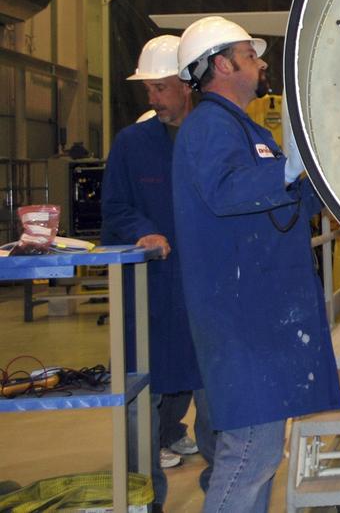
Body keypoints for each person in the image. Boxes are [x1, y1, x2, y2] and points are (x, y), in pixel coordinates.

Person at [171, 16, 340, 513]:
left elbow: (284, 205)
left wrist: (319, 173)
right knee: (249, 454)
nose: (262, 62)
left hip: (259, 317)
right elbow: (227, 192)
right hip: (241, 321)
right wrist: (288, 171)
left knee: (261, 454)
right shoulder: (209, 127)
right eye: (250, 55)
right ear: (222, 65)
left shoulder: (242, 129)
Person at [101, 35, 213, 509]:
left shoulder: (215, 136)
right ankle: (146, 503)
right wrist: (143, 231)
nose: (153, 99)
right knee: (140, 404)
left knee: (215, 402)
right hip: (149, 296)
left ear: (187, 85)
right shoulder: (132, 144)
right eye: (148, 90)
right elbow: (115, 208)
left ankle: (224, 496)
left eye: (161, 88)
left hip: (206, 293)